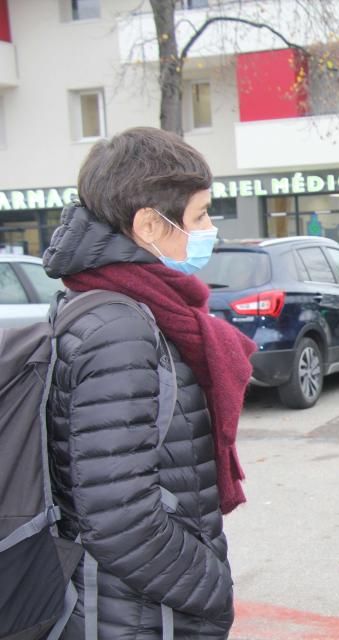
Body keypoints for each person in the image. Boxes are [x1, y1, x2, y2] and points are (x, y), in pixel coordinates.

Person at [42, 127, 255, 638]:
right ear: (148, 225)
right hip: (136, 614)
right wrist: (210, 588)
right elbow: (120, 522)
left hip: (137, 604)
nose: (210, 229)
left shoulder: (127, 308)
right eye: (200, 215)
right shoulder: (121, 329)